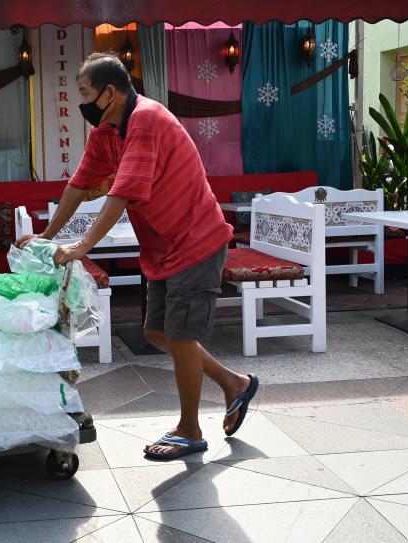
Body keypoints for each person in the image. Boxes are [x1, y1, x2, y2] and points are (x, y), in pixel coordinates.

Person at [18, 53, 259, 460]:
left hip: (196, 241)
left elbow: (122, 192)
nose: (81, 103)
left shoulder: (146, 119)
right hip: (164, 247)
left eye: (84, 93)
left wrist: (82, 247)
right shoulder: (107, 131)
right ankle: (234, 384)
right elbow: (79, 186)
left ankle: (189, 430)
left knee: (181, 336)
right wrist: (46, 235)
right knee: (157, 333)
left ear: (109, 92)